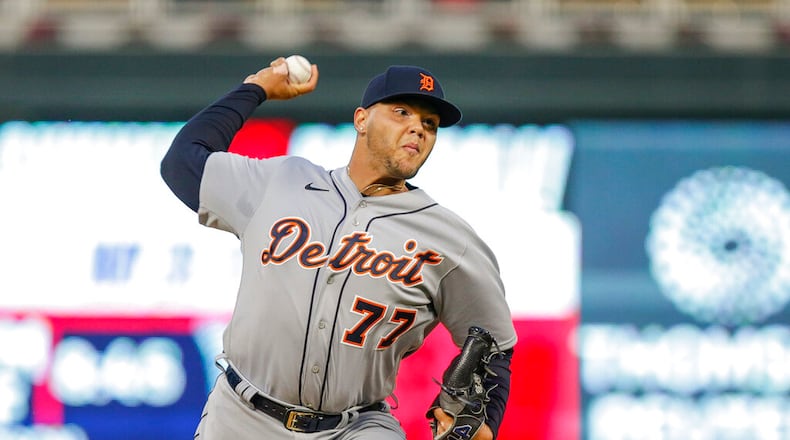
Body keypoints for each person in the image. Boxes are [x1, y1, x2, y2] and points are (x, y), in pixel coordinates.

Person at [160, 57, 517, 439]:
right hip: (243, 416)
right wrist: (256, 87)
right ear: (361, 119)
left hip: (358, 425)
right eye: (401, 112)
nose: (418, 127)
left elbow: (493, 346)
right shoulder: (282, 182)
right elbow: (182, 162)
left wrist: (486, 426)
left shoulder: (450, 239)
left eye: (429, 124)